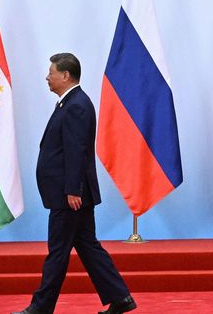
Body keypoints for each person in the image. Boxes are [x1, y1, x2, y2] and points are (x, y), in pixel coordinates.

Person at [13, 53, 137, 314]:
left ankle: (41, 307)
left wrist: (72, 190)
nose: (47, 77)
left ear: (66, 75)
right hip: (71, 193)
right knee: (88, 246)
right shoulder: (69, 103)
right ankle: (120, 297)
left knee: (58, 251)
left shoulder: (76, 105)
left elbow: (76, 150)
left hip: (69, 196)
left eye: (51, 73)